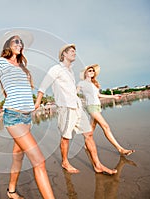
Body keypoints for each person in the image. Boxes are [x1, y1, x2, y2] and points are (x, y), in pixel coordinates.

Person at [0, 31, 55, 199]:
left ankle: (11, 191)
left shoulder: (22, 67)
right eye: (15, 42)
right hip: (14, 117)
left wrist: (34, 104)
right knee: (39, 161)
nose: (19, 44)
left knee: (18, 157)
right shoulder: (0, 62)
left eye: (20, 42)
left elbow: (21, 89)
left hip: (27, 118)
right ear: (8, 46)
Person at [35, 44, 117, 175]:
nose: (74, 53)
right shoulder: (56, 69)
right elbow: (43, 85)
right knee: (66, 137)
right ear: (64, 55)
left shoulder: (71, 71)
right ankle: (65, 162)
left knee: (89, 134)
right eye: (72, 51)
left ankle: (98, 165)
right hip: (66, 108)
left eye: (75, 51)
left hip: (77, 106)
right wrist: (38, 103)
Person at [77, 64, 135, 156]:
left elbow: (99, 95)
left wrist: (113, 96)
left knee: (91, 129)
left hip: (97, 107)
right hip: (91, 107)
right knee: (106, 126)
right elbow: (74, 94)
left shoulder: (94, 84)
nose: (92, 72)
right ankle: (120, 149)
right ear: (85, 73)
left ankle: (86, 145)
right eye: (89, 70)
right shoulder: (81, 84)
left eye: (93, 71)